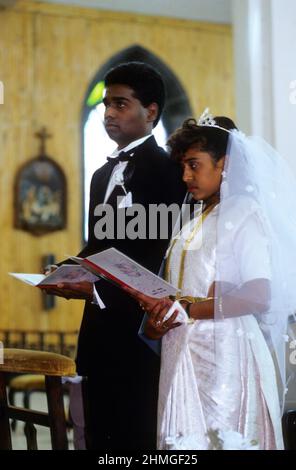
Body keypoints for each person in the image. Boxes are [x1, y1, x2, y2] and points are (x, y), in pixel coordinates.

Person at [124, 110, 296, 450]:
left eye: (195, 164)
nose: (186, 175)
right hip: (182, 353)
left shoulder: (244, 212)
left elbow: (259, 294)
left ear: (225, 164)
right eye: (183, 166)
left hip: (226, 358)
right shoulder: (193, 222)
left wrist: (187, 308)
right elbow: (185, 291)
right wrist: (160, 317)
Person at [44, 61, 186, 449]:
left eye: (121, 104)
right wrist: (68, 271)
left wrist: (99, 290)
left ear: (151, 112)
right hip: (99, 328)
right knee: (97, 430)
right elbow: (98, 244)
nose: (109, 113)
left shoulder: (169, 171)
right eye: (107, 104)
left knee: (135, 432)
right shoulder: (100, 176)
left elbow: (162, 252)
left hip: (143, 329)